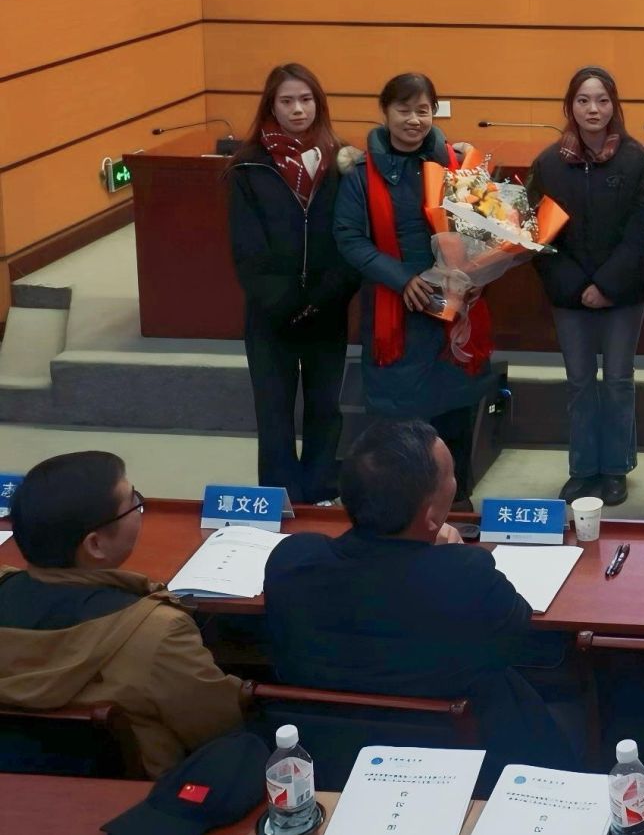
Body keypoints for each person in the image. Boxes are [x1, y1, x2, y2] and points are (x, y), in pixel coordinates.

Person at [264, 419, 572, 773]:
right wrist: (449, 556)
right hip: (460, 766)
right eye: (451, 477)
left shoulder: (293, 561)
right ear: (430, 516)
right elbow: (520, 633)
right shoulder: (465, 577)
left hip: (325, 760)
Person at [0, 451, 245, 776]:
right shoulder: (157, 633)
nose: (140, 510)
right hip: (139, 793)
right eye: (134, 503)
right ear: (95, 545)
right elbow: (220, 726)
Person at [333, 71, 494, 505]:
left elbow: (485, 229)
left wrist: (476, 273)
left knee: (455, 408)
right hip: (397, 309)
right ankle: (402, 509)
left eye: (423, 110)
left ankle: (456, 504)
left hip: (453, 308)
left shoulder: (457, 166)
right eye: (403, 110)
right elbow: (349, 237)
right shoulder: (360, 173)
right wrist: (401, 278)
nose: (413, 120)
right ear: (385, 112)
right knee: (400, 420)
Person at [226, 62, 355, 504]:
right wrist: (286, 303)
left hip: (327, 308)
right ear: (271, 106)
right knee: (274, 411)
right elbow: (247, 249)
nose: (298, 109)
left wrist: (322, 299)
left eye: (306, 99)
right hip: (270, 314)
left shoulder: (342, 162)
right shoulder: (249, 166)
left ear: (319, 104)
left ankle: (319, 490)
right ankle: (279, 498)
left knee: (325, 407)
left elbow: (351, 239)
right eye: (287, 101)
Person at [525, 66, 644, 507]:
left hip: (624, 292)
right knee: (579, 381)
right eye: (583, 100)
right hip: (569, 294)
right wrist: (577, 285)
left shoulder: (635, 159)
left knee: (617, 380)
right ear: (570, 106)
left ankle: (615, 468)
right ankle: (583, 470)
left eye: (602, 100)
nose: (593, 109)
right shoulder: (548, 164)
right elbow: (537, 235)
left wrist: (608, 284)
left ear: (614, 105)